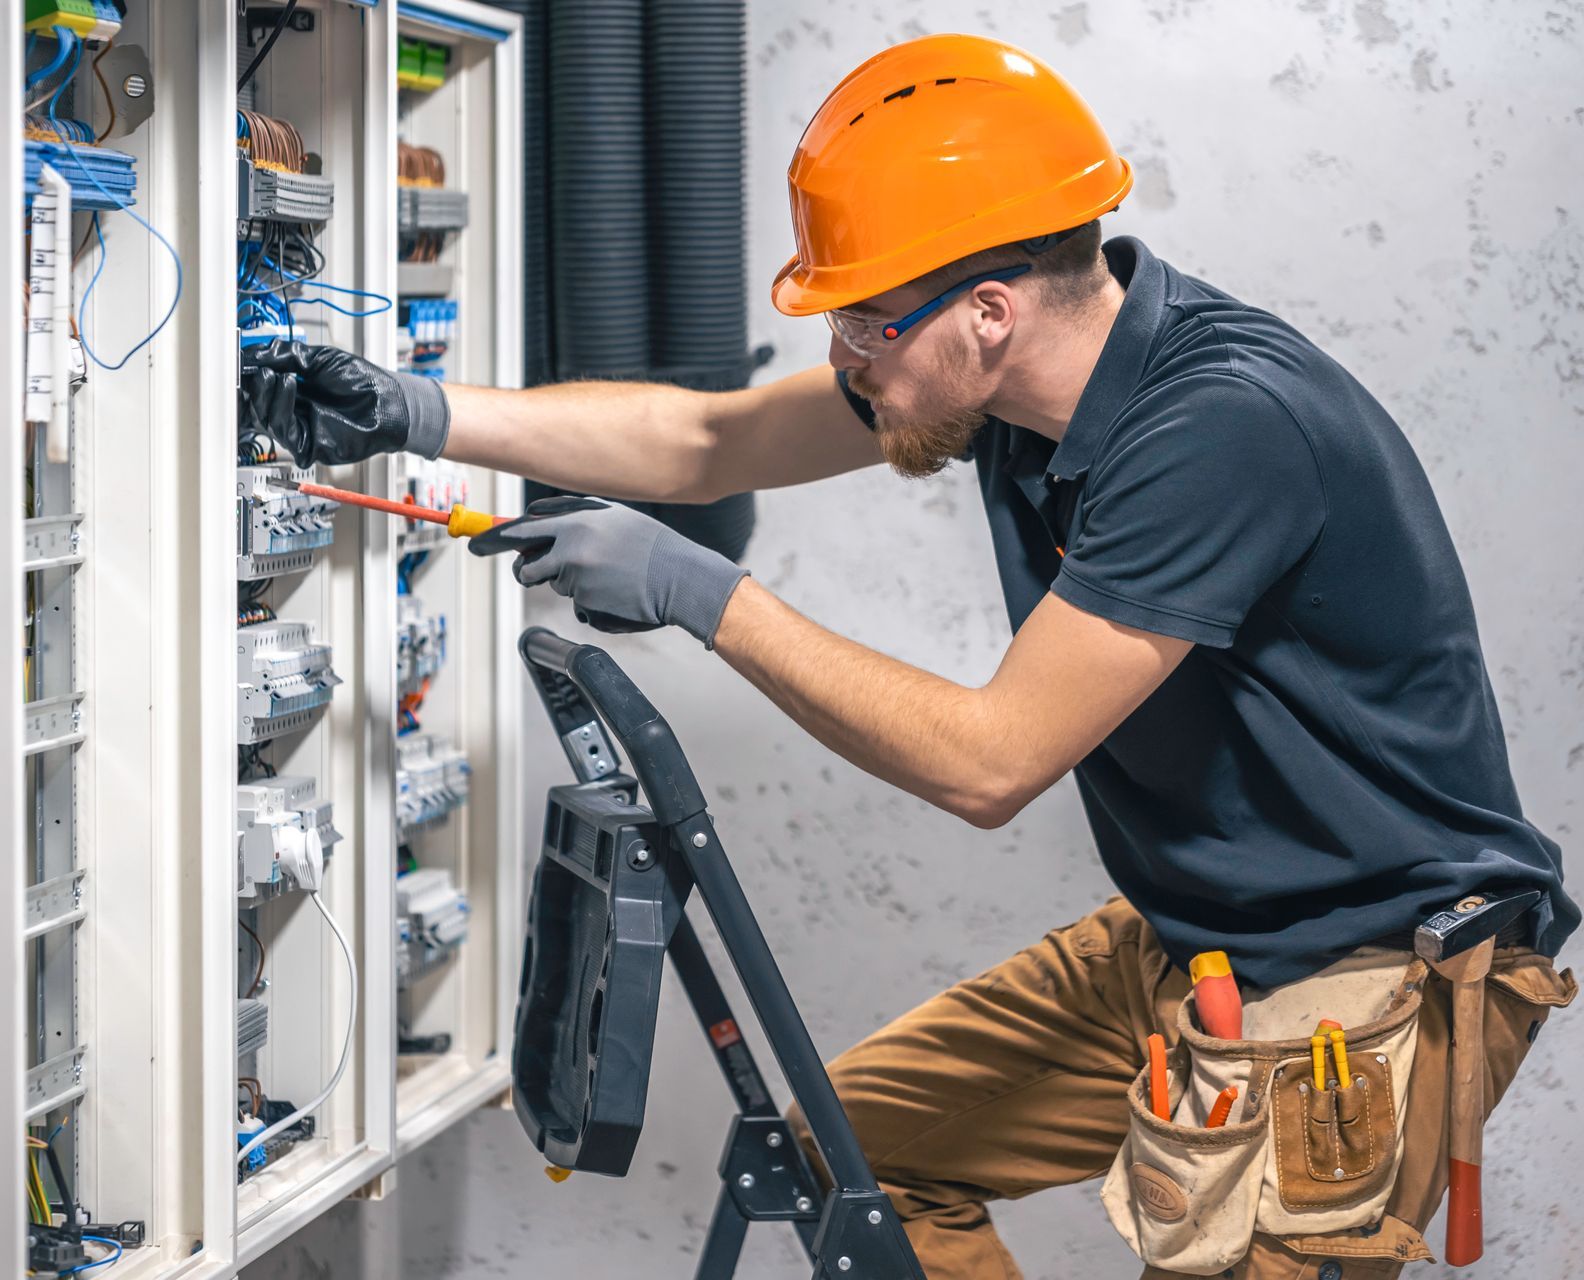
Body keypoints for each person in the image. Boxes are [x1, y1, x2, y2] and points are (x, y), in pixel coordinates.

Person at [242, 32, 1577, 1280]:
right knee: (853, 1151)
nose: (846, 358)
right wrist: (419, 411)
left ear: (987, 312)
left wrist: (700, 591)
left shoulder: (1219, 432)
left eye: (865, 327)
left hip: (1374, 974)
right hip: (1206, 931)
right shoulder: (1004, 380)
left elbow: (990, 763)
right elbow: (708, 442)